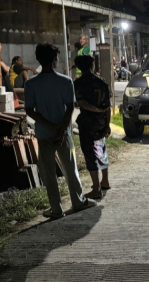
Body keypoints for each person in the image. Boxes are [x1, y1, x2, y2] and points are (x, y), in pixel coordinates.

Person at [25, 43, 96, 218]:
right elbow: (70, 108)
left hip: (43, 134)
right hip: (64, 134)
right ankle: (78, 201)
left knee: (49, 172)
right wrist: (61, 129)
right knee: (70, 169)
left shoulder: (31, 84)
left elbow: (29, 110)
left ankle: (56, 209)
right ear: (55, 60)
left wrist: (50, 127)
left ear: (39, 60)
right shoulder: (65, 81)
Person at [73, 55, 112, 200]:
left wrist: (96, 111)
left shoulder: (79, 83)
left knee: (90, 153)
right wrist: (107, 123)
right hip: (101, 122)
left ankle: (96, 188)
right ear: (92, 65)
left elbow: (83, 104)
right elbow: (107, 105)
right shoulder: (102, 82)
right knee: (101, 148)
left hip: (87, 122)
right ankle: (105, 181)